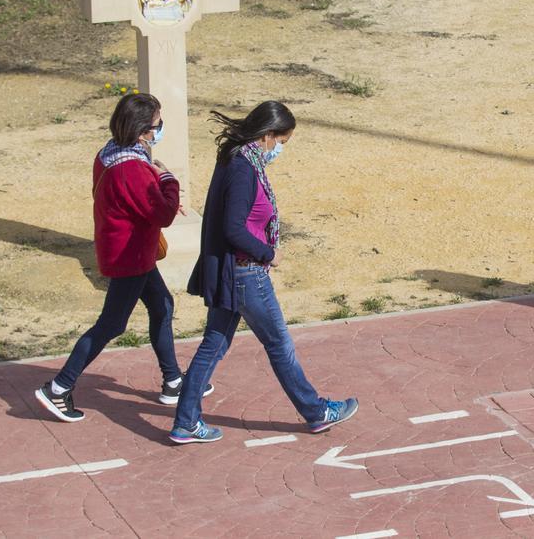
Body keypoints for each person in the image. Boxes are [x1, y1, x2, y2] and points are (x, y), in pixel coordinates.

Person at [171, 101, 358, 443]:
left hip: (231, 273)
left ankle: (185, 421)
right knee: (279, 344)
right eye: (282, 141)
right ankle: (316, 412)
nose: (281, 148)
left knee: (213, 344)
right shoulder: (244, 168)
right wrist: (269, 254)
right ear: (268, 135)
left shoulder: (235, 157)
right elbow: (234, 228)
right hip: (246, 273)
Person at [35, 93, 209, 422]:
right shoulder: (134, 168)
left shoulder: (110, 152)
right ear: (143, 130)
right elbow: (163, 214)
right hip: (130, 256)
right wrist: (169, 180)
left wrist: (157, 186)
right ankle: (58, 387)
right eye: (158, 124)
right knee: (111, 324)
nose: (160, 129)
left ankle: (173, 381)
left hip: (126, 248)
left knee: (162, 306)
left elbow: (138, 199)